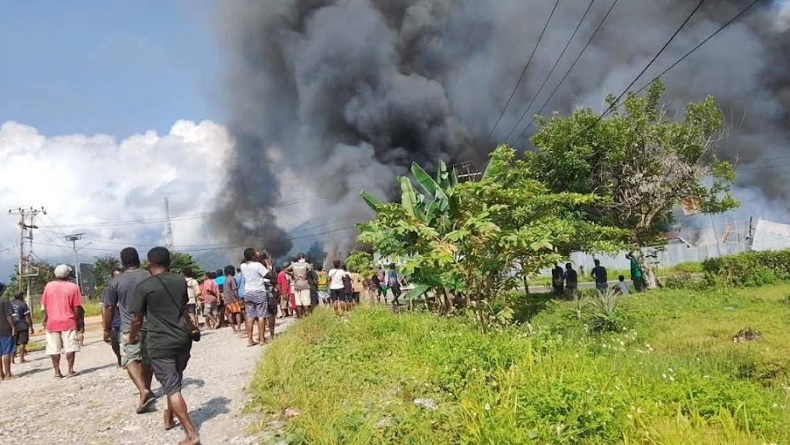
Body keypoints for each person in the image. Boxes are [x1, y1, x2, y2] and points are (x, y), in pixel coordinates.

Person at [128, 247, 199, 445]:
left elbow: (136, 319)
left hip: (160, 343)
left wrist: (132, 338)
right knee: (174, 380)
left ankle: (191, 434)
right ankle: (169, 417)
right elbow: (183, 306)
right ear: (169, 262)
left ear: (149, 263)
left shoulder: (144, 287)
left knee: (171, 387)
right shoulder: (179, 281)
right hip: (183, 340)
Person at [103, 248, 154, 413]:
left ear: (123, 262)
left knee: (130, 359)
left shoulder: (116, 281)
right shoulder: (149, 275)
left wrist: (106, 328)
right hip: (151, 325)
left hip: (128, 326)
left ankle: (143, 390)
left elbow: (109, 308)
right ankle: (148, 387)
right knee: (147, 359)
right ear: (138, 259)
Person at [41, 264, 83, 379]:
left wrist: (46, 318)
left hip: (52, 322)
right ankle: (70, 370)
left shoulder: (48, 286)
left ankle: (57, 371)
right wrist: (77, 320)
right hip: (68, 321)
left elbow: (45, 305)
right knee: (70, 347)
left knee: (54, 348)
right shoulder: (73, 287)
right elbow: (76, 307)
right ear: (67, 274)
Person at [240, 248, 270, 346]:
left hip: (248, 293)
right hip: (259, 291)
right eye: (255, 253)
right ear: (253, 256)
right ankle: (261, 340)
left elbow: (249, 263)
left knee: (250, 316)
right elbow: (268, 275)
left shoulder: (242, 266)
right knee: (261, 316)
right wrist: (268, 264)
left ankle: (250, 340)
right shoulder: (258, 265)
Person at [101, 269, 123, 367]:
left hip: (126, 321)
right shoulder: (109, 289)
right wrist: (105, 326)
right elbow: (105, 307)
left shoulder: (126, 287)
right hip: (114, 322)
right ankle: (119, 358)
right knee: (115, 344)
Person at [285, 253, 312, 318]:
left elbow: (285, 270)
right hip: (304, 284)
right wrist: (306, 274)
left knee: (298, 303)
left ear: (297, 258)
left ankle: (300, 317)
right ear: (304, 257)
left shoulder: (293, 264)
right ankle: (307, 317)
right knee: (306, 302)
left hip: (297, 285)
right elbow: (310, 269)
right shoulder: (306, 264)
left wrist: (293, 275)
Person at [10, 290, 33, 364]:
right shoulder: (23, 304)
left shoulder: (10, 304)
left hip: (13, 325)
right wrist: (31, 327)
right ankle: (21, 359)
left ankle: (12, 360)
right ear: (21, 296)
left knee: (14, 343)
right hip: (22, 325)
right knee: (22, 342)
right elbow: (27, 317)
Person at [0, 295, 17, 380]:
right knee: (6, 352)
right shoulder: (4, 300)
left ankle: (1, 375)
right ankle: (8, 374)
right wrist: (13, 327)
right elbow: (8, 316)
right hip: (4, 330)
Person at [223, 265, 243, 332]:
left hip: (226, 300)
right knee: (237, 313)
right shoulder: (232, 279)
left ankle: (234, 329)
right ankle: (239, 328)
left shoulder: (225, 280)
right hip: (233, 299)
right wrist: (239, 298)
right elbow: (234, 290)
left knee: (230, 314)